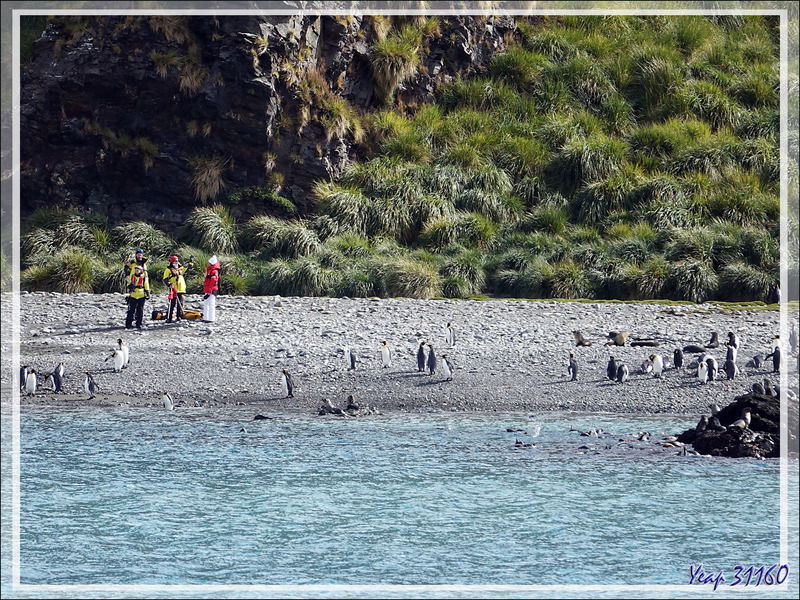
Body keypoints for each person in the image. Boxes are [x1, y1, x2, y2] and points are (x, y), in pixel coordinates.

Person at [125, 264, 150, 329]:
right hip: (133, 295)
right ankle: (128, 324)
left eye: (138, 270)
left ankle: (139, 324)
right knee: (131, 310)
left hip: (141, 295)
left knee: (140, 310)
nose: (137, 271)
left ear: (141, 271)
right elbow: (128, 284)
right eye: (136, 270)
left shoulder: (144, 277)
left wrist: (148, 294)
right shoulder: (132, 277)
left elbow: (146, 286)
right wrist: (129, 286)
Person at [163, 255, 187, 322]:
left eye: (177, 261)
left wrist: (191, 263)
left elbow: (188, 268)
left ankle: (179, 316)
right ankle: (169, 317)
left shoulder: (180, 269)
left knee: (180, 303)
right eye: (175, 261)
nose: (177, 262)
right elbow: (165, 279)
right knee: (172, 303)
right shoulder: (168, 270)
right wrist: (168, 284)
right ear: (172, 262)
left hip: (181, 288)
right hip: (173, 289)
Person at [203, 255, 220, 322]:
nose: (207, 264)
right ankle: (206, 317)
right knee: (206, 303)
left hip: (211, 289)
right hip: (209, 289)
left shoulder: (213, 271)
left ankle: (211, 318)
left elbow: (213, 282)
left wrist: (210, 290)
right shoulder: (211, 271)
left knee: (211, 304)